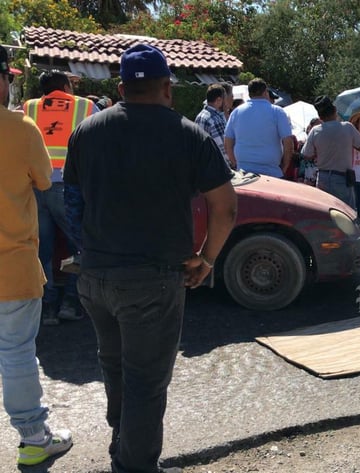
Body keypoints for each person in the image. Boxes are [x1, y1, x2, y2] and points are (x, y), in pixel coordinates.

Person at [63, 44, 237, 472]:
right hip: (153, 280)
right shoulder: (187, 134)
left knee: (115, 366)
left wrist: (91, 251)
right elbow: (226, 207)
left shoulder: (86, 131)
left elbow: (71, 203)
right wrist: (207, 258)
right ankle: (134, 465)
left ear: (121, 88)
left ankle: (121, 445)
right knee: (145, 380)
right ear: (167, 88)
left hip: (96, 277)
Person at [0, 46, 74, 467]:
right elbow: (45, 179)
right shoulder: (21, 128)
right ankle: (32, 437)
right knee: (15, 353)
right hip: (11, 265)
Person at [23, 70, 96, 325]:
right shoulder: (85, 106)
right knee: (81, 246)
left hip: (34, 188)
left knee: (42, 249)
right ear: (66, 85)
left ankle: (47, 307)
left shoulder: (29, 107)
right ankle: (71, 302)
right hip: (68, 188)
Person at [301, 96, 360, 208]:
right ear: (335, 110)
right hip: (342, 178)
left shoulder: (315, 131)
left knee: (325, 212)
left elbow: (306, 155)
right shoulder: (347, 127)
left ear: (320, 116)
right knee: (346, 213)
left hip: (323, 178)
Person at [224, 77, 295, 178]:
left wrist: (235, 163)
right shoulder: (277, 112)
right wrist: (284, 167)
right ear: (266, 92)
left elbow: (227, 142)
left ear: (249, 94)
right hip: (271, 172)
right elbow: (288, 142)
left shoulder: (236, 112)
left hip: (244, 172)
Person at [194, 83, 230, 166]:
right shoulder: (215, 119)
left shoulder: (200, 116)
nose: (226, 102)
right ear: (218, 100)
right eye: (225, 99)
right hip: (216, 168)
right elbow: (224, 149)